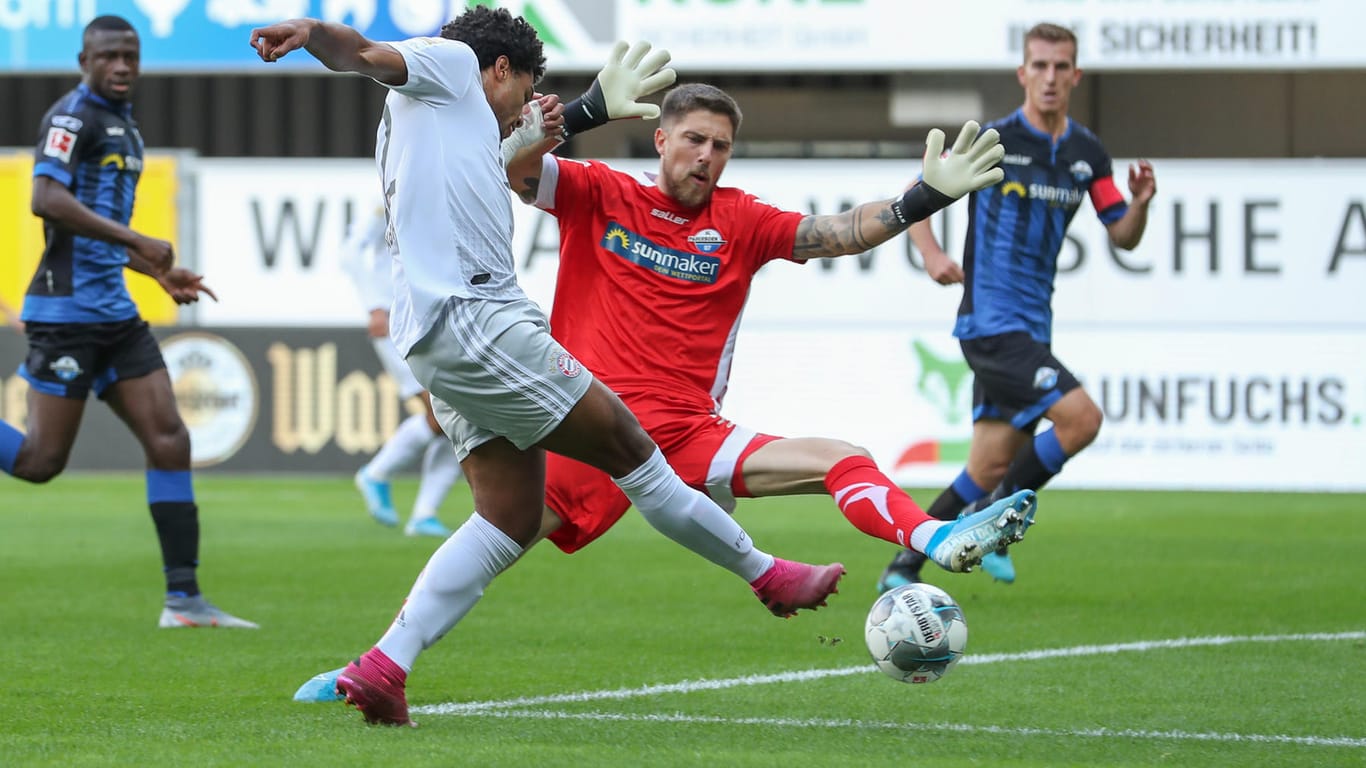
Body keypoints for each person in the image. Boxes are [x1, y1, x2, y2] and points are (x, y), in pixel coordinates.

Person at [293, 73, 1039, 711]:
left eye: (720, 146)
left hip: (690, 433)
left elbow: (836, 231)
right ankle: (380, 665)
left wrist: (919, 200)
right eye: (693, 140)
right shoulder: (599, 193)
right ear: (661, 141)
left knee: (845, 457)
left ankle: (937, 537)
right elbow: (513, 172)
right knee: (500, 532)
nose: (706, 157)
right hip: (586, 423)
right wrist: (585, 108)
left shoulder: (741, 221)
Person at [253, 8, 847, 727]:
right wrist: (311, 33)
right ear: (500, 69)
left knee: (509, 517)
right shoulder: (448, 68)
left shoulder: (433, 125)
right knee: (633, 448)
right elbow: (364, 51)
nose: (518, 107)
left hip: (432, 337)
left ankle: (382, 668)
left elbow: (506, 154)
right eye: (522, 87)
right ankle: (769, 575)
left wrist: (586, 108)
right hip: (480, 320)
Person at [877, 22, 1156, 590]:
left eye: (1061, 67)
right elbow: (917, 194)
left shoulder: (1086, 153)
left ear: (1075, 75)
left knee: (985, 467)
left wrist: (1142, 204)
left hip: (1032, 330)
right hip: (990, 326)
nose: (1050, 77)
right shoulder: (993, 141)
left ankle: (903, 565)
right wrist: (931, 256)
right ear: (1022, 73)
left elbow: (1121, 233)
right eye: (1040, 65)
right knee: (1082, 419)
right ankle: (998, 520)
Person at [0, 15, 255, 629]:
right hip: (66, 316)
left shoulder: (125, 127)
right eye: (110, 56)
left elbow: (95, 235)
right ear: (84, 59)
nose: (121, 66)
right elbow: (46, 202)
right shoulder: (72, 118)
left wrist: (155, 272)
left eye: (130, 56)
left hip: (116, 312)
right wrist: (139, 238)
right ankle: (185, 599)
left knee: (171, 439)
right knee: (39, 462)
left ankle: (184, 601)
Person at [341, 201, 459, 538]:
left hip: (432, 318)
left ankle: (424, 515)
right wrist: (374, 306)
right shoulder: (390, 195)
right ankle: (376, 473)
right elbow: (351, 253)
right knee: (444, 414)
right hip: (396, 319)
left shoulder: (442, 192)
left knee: (458, 418)